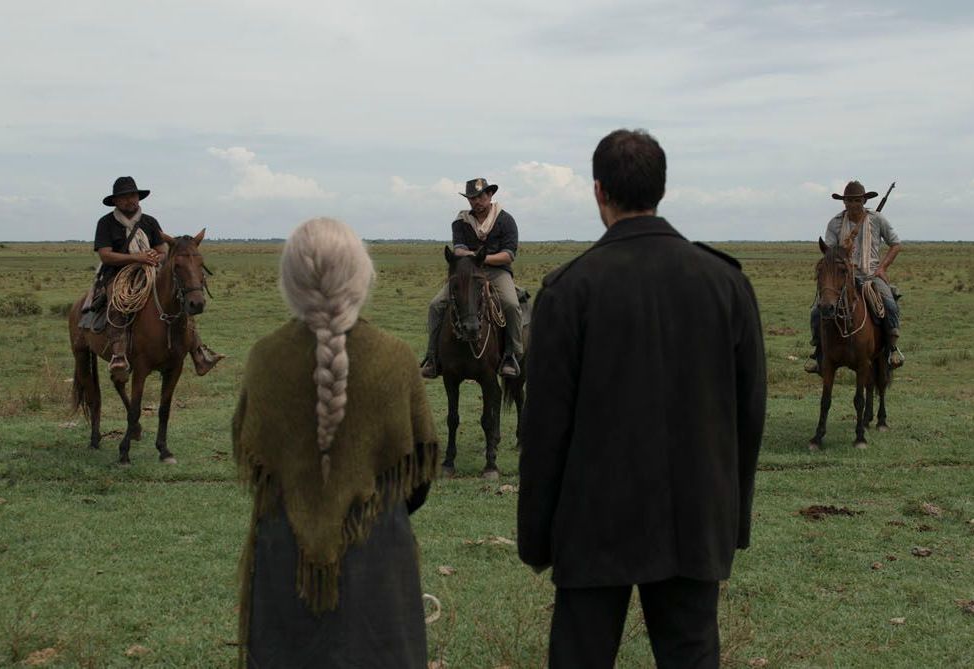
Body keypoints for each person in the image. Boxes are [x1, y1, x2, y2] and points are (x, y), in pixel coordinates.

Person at [517, 129, 767, 669]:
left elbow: (543, 430)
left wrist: (536, 538)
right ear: (662, 189)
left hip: (592, 523)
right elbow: (749, 418)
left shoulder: (568, 290)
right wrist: (730, 521)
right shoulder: (726, 284)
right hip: (694, 520)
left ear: (598, 192)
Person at [232, 218, 438, 669]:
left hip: (285, 559)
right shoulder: (396, 357)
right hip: (378, 557)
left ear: (290, 280)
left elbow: (253, 459)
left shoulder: (264, 358)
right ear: (361, 274)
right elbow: (418, 478)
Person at [92, 176, 224, 381]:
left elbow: (163, 251)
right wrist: (137, 257)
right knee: (117, 300)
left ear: (138, 198)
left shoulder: (149, 222)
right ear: (115, 201)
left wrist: (154, 257)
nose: (130, 200)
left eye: (133, 195)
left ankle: (198, 350)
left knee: (177, 298)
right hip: (117, 274)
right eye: (124, 197)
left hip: (149, 270)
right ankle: (119, 353)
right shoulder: (106, 223)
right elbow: (105, 255)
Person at [420, 177, 523, 378]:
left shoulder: (505, 220)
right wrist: (474, 259)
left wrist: (480, 258)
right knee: (436, 305)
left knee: (511, 304)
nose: (477, 201)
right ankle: (433, 357)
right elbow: (458, 250)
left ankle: (512, 355)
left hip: (497, 271)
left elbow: (508, 255)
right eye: (472, 198)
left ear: (490, 195)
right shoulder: (461, 221)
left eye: (481, 196)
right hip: (467, 273)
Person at [805, 180, 904, 373]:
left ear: (864, 201)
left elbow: (896, 244)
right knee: (817, 311)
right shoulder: (835, 223)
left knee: (890, 305)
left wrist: (882, 268)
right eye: (849, 200)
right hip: (843, 278)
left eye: (857, 200)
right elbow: (829, 254)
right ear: (844, 202)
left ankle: (892, 350)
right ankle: (819, 353)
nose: (853, 204)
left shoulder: (877, 219)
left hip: (870, 275)